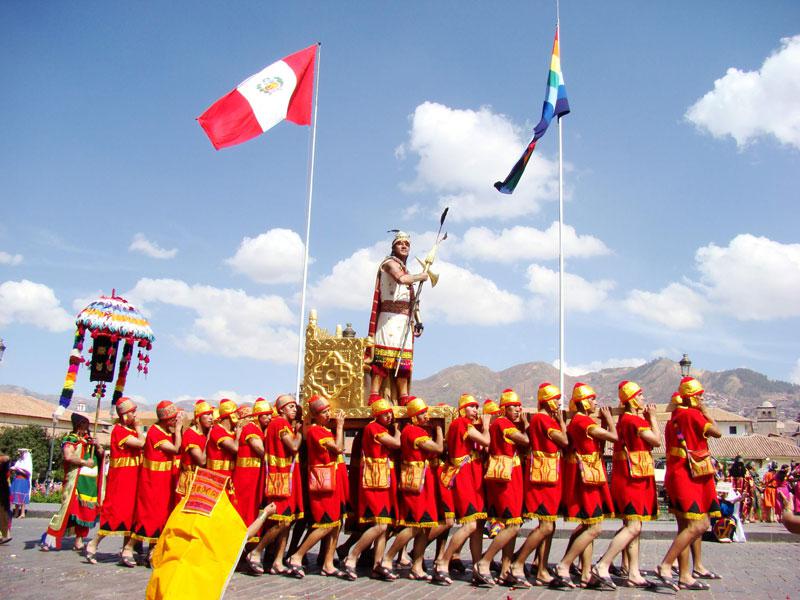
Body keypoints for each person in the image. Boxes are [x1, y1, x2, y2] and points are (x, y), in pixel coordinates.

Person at [654, 377, 722, 591]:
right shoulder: (693, 415)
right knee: (699, 525)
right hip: (689, 475)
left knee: (684, 526)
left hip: (677, 472)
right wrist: (706, 411)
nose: (702, 399)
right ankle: (666, 563)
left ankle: (685, 574)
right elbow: (717, 432)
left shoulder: (674, 417)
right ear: (692, 397)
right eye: (699, 395)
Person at [593, 381, 660, 589]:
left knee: (633, 526)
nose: (643, 399)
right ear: (631, 400)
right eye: (639, 396)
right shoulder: (634, 421)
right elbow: (657, 441)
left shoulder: (623, 421)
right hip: (634, 480)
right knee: (633, 526)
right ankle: (603, 564)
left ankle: (633, 571)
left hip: (628, 477)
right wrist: (653, 419)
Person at [551, 383, 616, 589]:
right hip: (585, 477)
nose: (596, 403)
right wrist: (609, 421)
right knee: (595, 527)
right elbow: (614, 438)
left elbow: (598, 445)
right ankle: (564, 564)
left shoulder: (578, 422)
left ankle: (586, 572)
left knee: (590, 524)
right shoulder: (582, 422)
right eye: (592, 399)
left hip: (589, 475)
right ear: (583, 402)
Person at [506, 383, 568, 587]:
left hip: (549, 475)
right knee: (546, 525)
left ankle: (541, 568)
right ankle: (518, 562)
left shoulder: (541, 420)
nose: (559, 403)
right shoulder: (543, 419)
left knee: (549, 525)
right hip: (543, 479)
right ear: (547, 400)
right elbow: (564, 441)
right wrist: (561, 422)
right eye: (556, 400)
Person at [380, 397, 444, 582]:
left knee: (424, 526)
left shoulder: (415, 430)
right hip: (416, 482)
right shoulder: (414, 431)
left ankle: (417, 566)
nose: (426, 416)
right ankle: (387, 558)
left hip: (424, 480)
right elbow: (438, 448)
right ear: (413, 417)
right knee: (414, 525)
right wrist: (439, 430)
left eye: (425, 412)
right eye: (421, 414)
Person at [472, 389, 530, 587]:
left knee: (513, 523)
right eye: (514, 407)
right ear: (505, 408)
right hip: (505, 479)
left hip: (511, 476)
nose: (518, 410)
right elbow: (525, 440)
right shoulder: (503, 423)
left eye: (519, 406)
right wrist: (527, 426)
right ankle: (485, 561)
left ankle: (506, 570)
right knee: (512, 525)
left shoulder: (503, 423)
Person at [286, 395, 348, 578]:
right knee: (325, 524)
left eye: (328, 411)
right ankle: (297, 556)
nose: (328, 414)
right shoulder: (315, 431)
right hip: (323, 482)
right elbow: (337, 449)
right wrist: (341, 426)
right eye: (324, 412)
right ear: (315, 415)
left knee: (336, 524)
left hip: (334, 479)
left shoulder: (324, 430)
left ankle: (328, 563)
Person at [341, 398, 401, 581]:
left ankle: (377, 565)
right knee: (380, 524)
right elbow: (396, 444)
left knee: (384, 525)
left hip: (384, 480)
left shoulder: (382, 429)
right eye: (385, 413)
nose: (389, 416)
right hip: (375, 482)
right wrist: (398, 431)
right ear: (376, 415)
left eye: (390, 413)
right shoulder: (373, 428)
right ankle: (352, 556)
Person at [434, 394, 491, 585]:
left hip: (474, 477)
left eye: (477, 407)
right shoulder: (461, 423)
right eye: (472, 407)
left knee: (478, 526)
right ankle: (443, 561)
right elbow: (486, 441)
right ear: (462, 409)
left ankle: (477, 566)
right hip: (464, 476)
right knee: (471, 524)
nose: (475, 410)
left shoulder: (467, 425)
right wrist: (487, 426)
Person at [367, 231, 428, 405]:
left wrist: (418, 320)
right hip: (389, 318)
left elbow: (413, 300)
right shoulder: (388, 264)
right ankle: (374, 395)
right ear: (393, 247)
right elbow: (401, 279)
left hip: (405, 321)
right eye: (400, 243)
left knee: (403, 361)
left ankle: (403, 397)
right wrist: (420, 276)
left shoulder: (406, 270)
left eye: (407, 244)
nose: (404, 246)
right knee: (382, 358)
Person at [246, 394, 303, 575]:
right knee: (280, 522)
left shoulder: (284, 425)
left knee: (286, 522)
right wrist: (300, 432)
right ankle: (256, 552)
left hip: (288, 476)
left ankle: (278, 561)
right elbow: (293, 447)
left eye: (295, 406)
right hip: (280, 477)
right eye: (291, 406)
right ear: (282, 409)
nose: (295, 409)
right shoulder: (279, 424)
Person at [86, 397, 145, 566]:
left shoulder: (131, 430)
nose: (135, 415)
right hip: (122, 477)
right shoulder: (119, 431)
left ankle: (127, 549)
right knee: (115, 512)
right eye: (132, 412)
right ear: (125, 415)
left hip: (135, 475)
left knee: (133, 514)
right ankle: (94, 543)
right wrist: (140, 429)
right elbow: (141, 443)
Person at [125, 400, 184, 564]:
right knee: (148, 517)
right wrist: (178, 431)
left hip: (164, 480)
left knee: (161, 516)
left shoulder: (166, 432)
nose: (175, 422)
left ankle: (152, 551)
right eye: (173, 419)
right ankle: (128, 548)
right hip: (153, 480)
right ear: (167, 419)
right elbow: (176, 449)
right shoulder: (155, 432)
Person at [42, 412, 103, 552]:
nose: (85, 426)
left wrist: (98, 446)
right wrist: (84, 462)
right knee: (70, 508)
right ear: (77, 425)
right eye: (83, 424)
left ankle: (79, 540)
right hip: (75, 480)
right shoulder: (70, 439)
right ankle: (51, 537)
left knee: (86, 512)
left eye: (87, 424)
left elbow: (100, 455)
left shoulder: (90, 439)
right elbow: (68, 456)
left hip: (89, 482)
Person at [233, 399, 270, 540]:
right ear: (257, 416)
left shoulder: (259, 430)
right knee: (245, 507)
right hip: (246, 476)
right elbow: (261, 451)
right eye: (265, 415)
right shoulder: (250, 429)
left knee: (254, 506)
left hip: (255, 474)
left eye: (269, 415)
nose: (268, 418)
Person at [175, 400, 214, 503]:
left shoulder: (206, 433)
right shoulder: (190, 434)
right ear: (198, 418)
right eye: (207, 414)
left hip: (203, 478)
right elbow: (201, 461)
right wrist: (209, 440)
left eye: (211, 414)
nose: (211, 418)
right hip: (191, 479)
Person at [206, 399, 240, 481]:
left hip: (230, 477)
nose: (238, 416)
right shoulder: (217, 430)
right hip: (218, 478)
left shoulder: (231, 432)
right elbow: (235, 449)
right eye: (236, 413)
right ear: (231, 416)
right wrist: (238, 435)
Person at [9, 448, 33, 518]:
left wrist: (18, 469)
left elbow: (27, 472)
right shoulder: (19, 461)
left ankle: (22, 513)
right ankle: (16, 512)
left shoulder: (27, 461)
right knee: (16, 496)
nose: (21, 454)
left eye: (22, 453)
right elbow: (16, 468)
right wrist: (14, 469)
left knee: (22, 497)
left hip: (23, 480)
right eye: (20, 453)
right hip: (17, 479)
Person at [0, 452, 11, 544]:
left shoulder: (3, 458)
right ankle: (5, 534)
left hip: (2, 486)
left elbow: (6, 458)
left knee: (3, 511)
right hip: (3, 487)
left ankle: (5, 534)